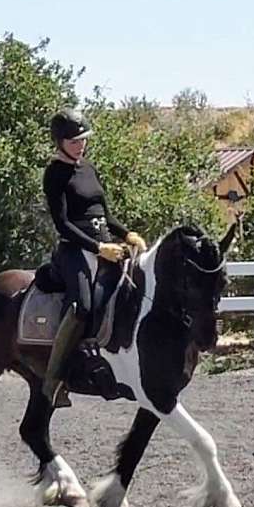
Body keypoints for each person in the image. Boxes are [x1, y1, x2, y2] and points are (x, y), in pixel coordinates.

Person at [41, 108, 147, 406]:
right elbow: (62, 223)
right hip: (74, 250)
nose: (81, 145)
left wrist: (126, 234)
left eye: (83, 139)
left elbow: (104, 213)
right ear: (60, 142)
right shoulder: (55, 173)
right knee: (82, 305)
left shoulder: (88, 168)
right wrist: (98, 248)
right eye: (74, 141)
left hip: (106, 246)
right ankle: (55, 378)